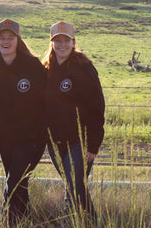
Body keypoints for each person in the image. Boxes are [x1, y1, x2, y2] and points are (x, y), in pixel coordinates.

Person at [41, 21, 105, 219]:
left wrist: (93, 144)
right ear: (51, 43)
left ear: (73, 41)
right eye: (57, 40)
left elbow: (97, 108)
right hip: (55, 143)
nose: (62, 45)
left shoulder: (84, 68)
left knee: (76, 192)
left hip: (79, 142)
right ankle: (84, 222)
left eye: (66, 40)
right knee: (75, 189)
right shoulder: (46, 69)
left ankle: (80, 222)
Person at [0, 19, 46, 225]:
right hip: (6, 139)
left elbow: (47, 99)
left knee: (13, 182)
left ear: (18, 40)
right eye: (2, 38)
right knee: (19, 184)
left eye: (10, 38)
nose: (6, 42)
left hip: (32, 138)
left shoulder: (32, 66)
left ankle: (7, 222)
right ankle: (25, 221)